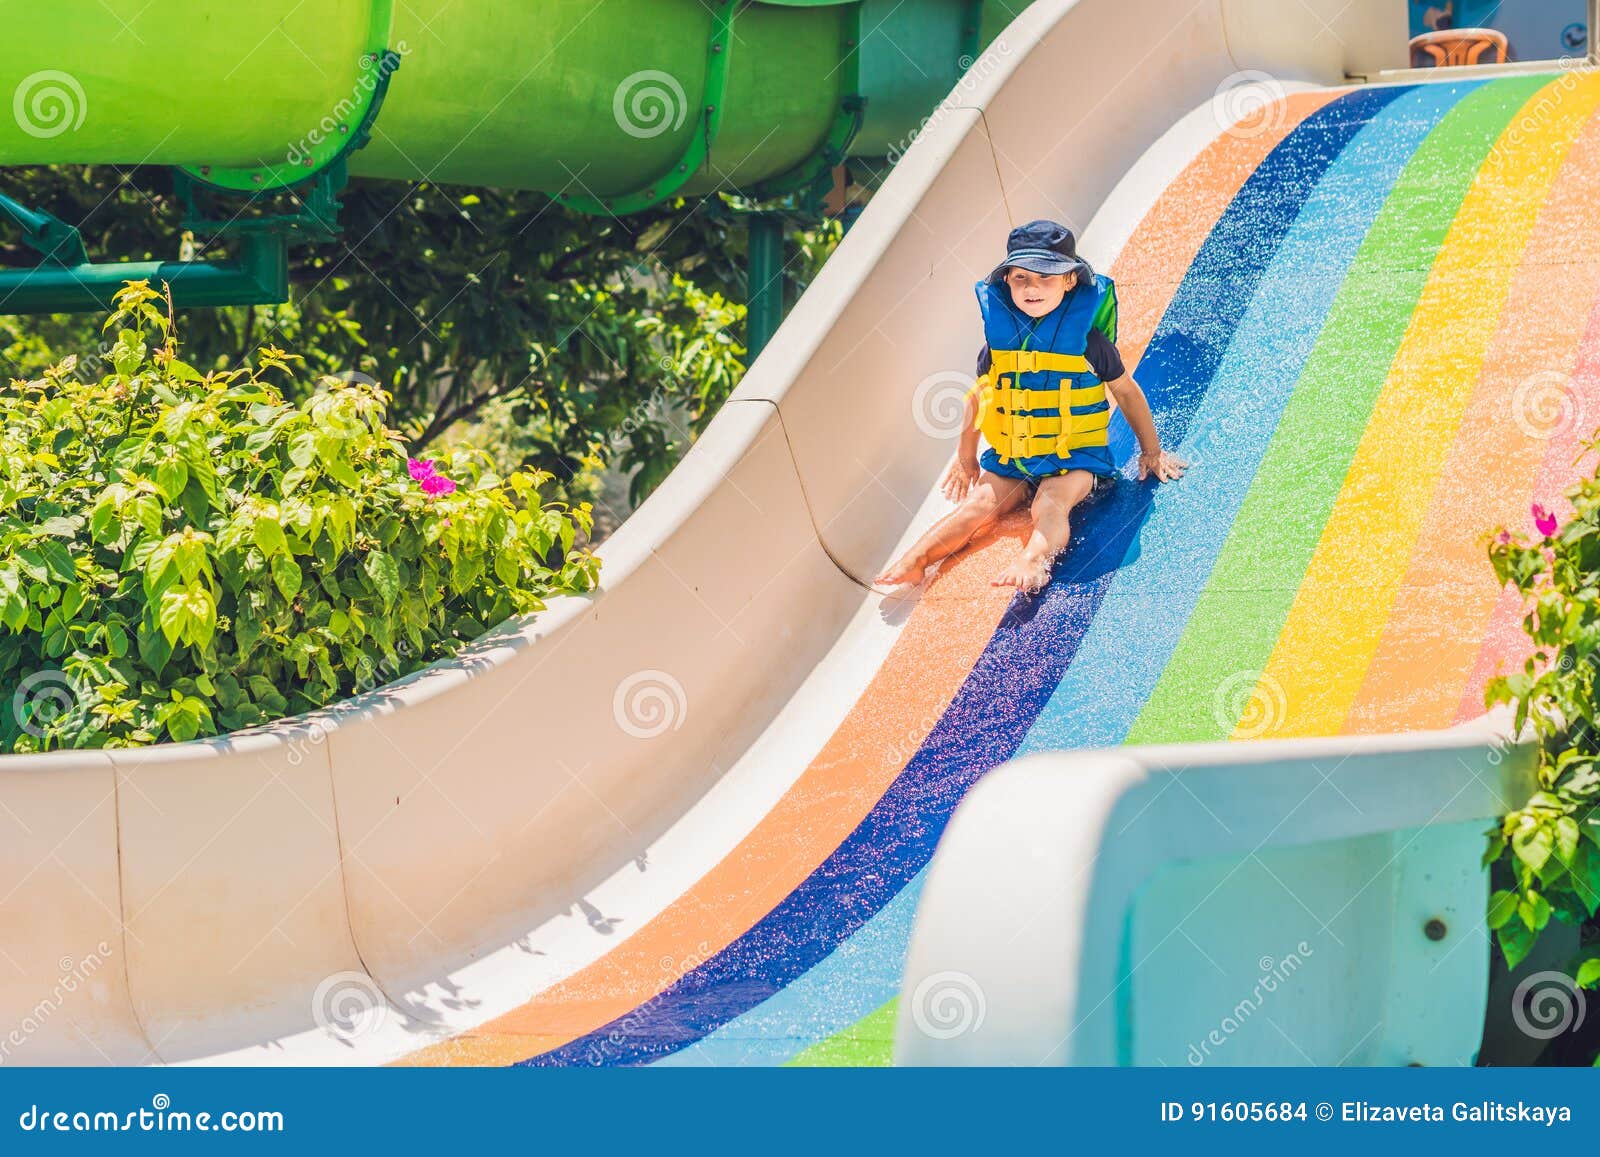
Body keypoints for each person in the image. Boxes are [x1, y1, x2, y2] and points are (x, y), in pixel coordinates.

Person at [875, 219, 1186, 594]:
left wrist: (1151, 451)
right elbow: (980, 398)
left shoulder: (1088, 341)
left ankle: (1034, 559)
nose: (1032, 287)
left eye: (1046, 277)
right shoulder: (999, 343)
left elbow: (1127, 392)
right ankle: (918, 559)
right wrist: (966, 458)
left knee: (1050, 503)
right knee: (978, 505)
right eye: (1021, 277)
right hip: (1014, 458)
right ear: (1006, 280)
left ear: (1070, 280)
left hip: (1075, 458)